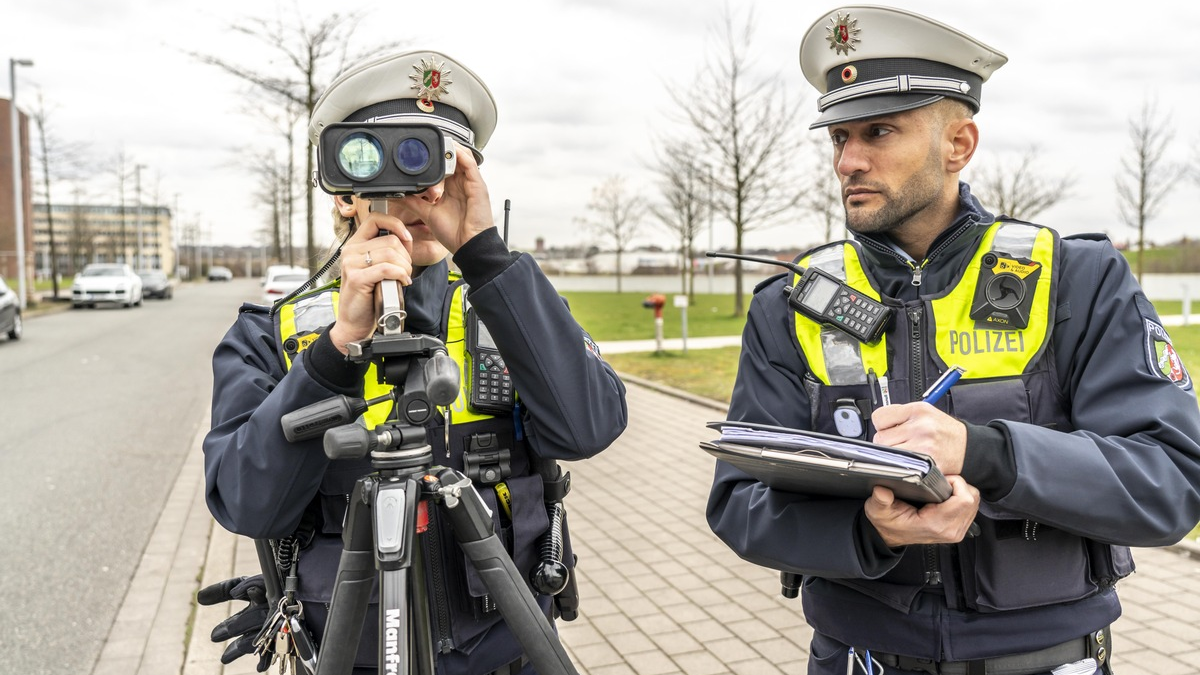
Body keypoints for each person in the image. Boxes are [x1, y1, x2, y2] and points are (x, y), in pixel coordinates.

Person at [706, 6, 1200, 675]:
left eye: (879, 131)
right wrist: (866, 531)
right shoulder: (790, 305)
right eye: (838, 137)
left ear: (959, 145)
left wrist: (988, 452)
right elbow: (739, 503)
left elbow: (1172, 482)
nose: (849, 160)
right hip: (858, 659)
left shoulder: (1077, 279)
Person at [199, 49, 628, 674]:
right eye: (395, 162)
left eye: (444, 165)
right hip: (354, 656)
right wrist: (336, 349)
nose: (425, 193)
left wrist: (486, 258)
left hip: (511, 651)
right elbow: (244, 503)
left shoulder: (509, 311)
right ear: (346, 191)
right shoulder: (274, 334)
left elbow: (590, 427)